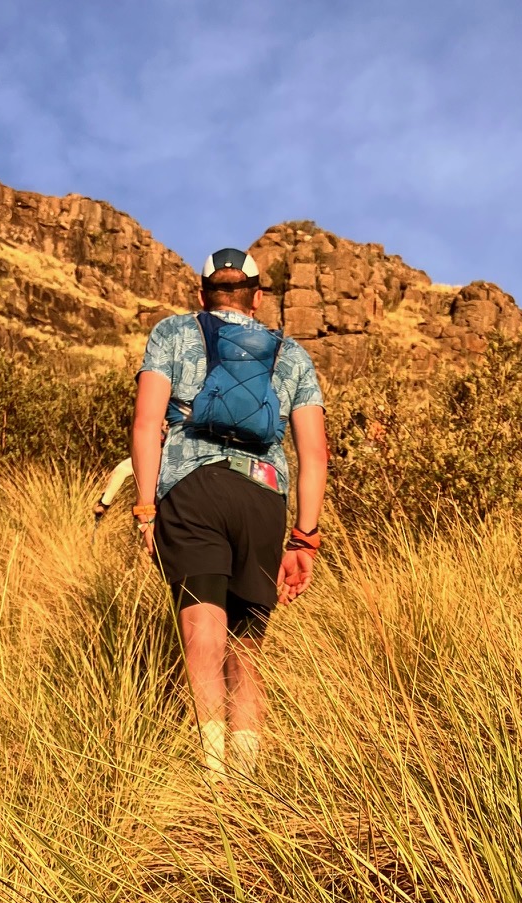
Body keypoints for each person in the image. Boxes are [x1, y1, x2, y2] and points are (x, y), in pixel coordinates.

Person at [132, 248, 328, 781]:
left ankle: (212, 777)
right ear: (257, 298)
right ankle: (246, 780)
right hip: (263, 497)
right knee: (247, 646)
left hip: (192, 488)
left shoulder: (173, 333)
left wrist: (146, 509)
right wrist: (304, 540)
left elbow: (147, 424)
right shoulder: (291, 354)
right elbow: (315, 455)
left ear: (202, 295)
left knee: (203, 632)